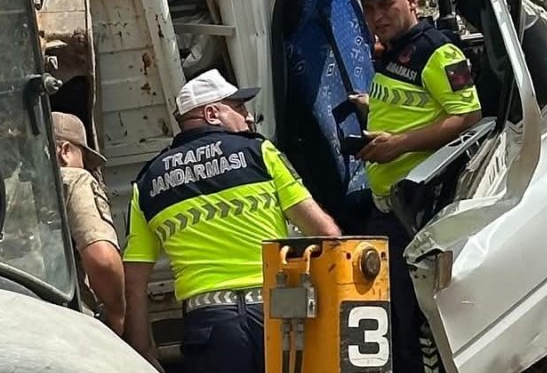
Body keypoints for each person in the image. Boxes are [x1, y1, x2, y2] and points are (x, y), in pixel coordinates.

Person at [121, 70, 341, 373]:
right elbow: (325, 233)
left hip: (208, 324)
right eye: (238, 108)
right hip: (284, 307)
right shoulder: (259, 153)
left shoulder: (147, 183)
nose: (249, 118)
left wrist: (142, 347)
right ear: (212, 113)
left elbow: (134, 281)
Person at [350, 0, 482, 373]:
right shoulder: (392, 52)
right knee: (387, 312)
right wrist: (371, 107)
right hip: (389, 204)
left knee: (401, 317)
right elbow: (414, 104)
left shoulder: (438, 51)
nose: (376, 17)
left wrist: (399, 145)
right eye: (368, 9)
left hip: (418, 210)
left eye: (385, 5)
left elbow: (468, 114)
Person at [51, 111, 126, 336]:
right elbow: (102, 259)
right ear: (64, 151)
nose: (86, 167)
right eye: (83, 157)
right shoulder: (72, 179)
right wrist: (117, 313)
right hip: (65, 323)